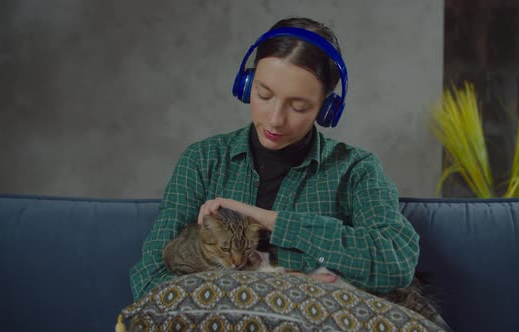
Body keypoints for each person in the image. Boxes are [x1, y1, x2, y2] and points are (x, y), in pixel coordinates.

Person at [129, 17, 420, 302]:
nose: (275, 120)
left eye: (298, 106)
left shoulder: (356, 169)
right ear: (246, 85)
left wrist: (273, 221)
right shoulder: (203, 161)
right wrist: (269, 295)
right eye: (264, 94)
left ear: (326, 109)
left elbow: (396, 263)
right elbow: (150, 277)